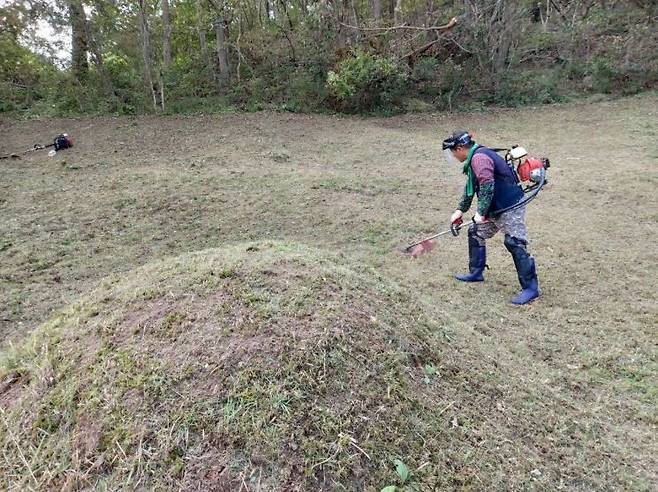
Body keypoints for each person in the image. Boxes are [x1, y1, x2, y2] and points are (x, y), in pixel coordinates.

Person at [442, 130, 540, 305]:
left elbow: (487, 186)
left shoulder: (478, 158)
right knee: (475, 232)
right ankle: (476, 273)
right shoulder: (475, 156)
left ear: (459, 148)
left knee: (514, 242)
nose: (453, 156)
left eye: (452, 152)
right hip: (495, 208)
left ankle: (531, 289)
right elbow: (471, 185)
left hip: (510, 205)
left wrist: (479, 213)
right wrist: (460, 210)